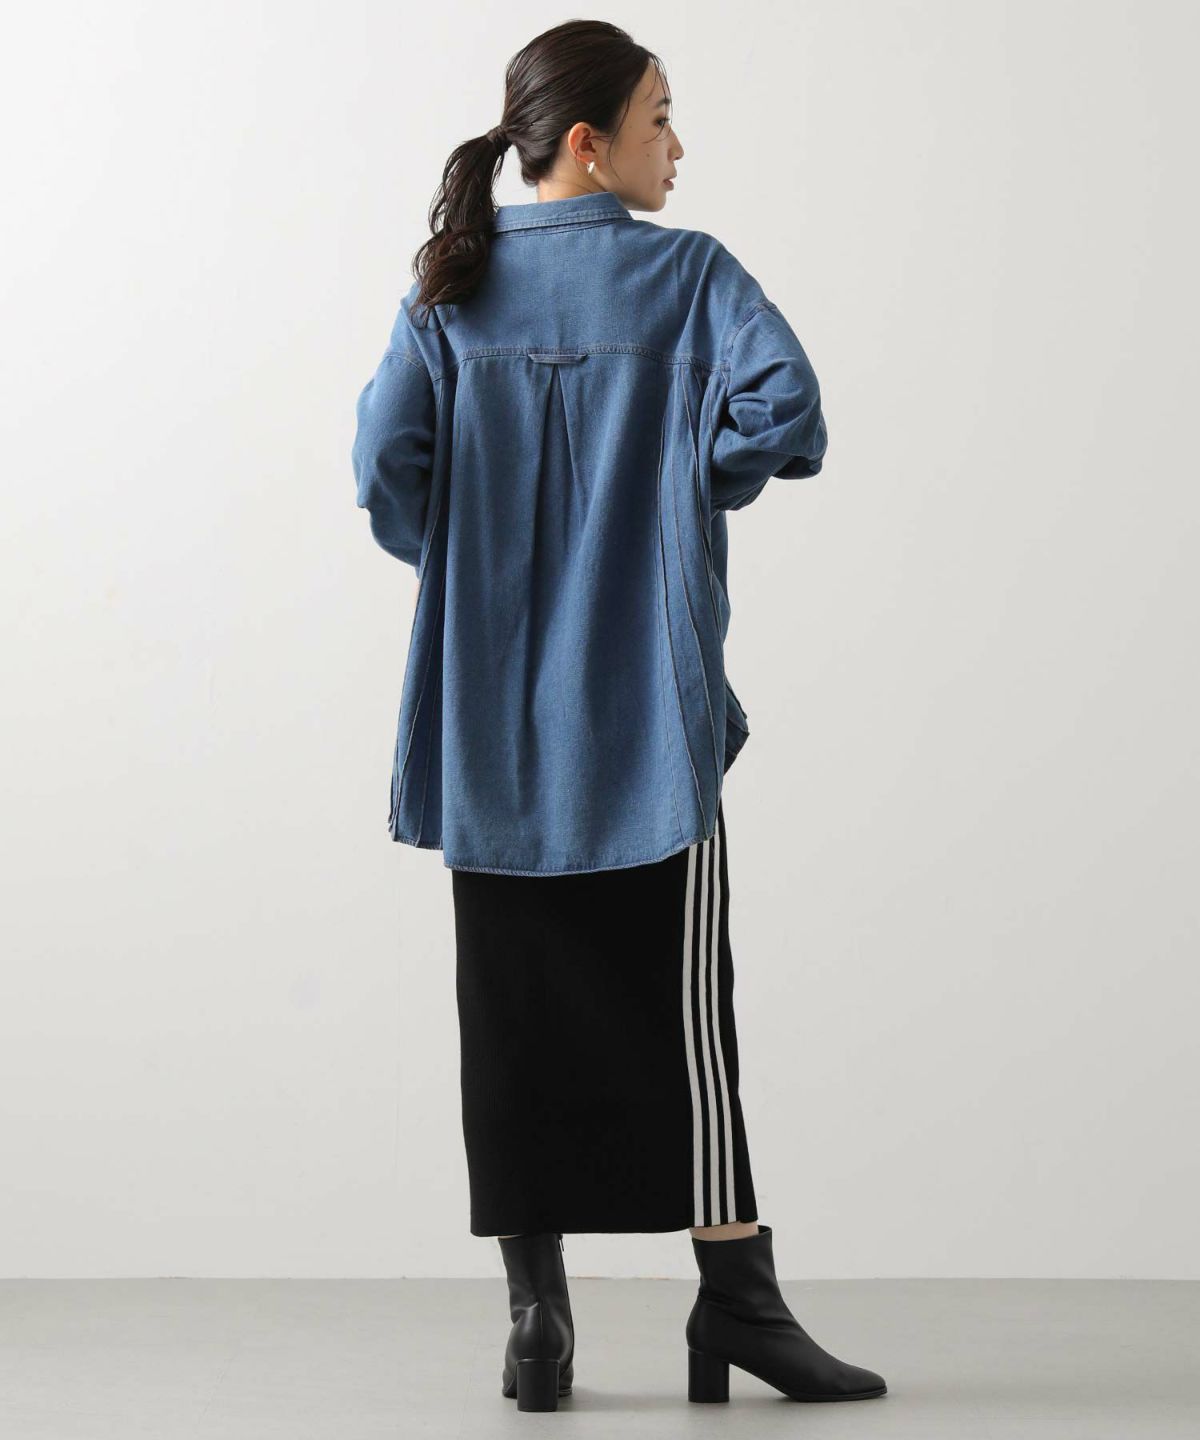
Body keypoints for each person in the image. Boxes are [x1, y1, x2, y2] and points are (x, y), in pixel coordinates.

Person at [350, 18, 886, 1415]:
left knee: (510, 1019)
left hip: (489, 731)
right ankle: (738, 1301)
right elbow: (786, 406)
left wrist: (469, 560)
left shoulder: (448, 293)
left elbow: (384, 463)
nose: (678, 146)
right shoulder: (687, 277)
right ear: (590, 144)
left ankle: (537, 1323)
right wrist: (686, 487)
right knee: (686, 1021)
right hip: (649, 721)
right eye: (661, 119)